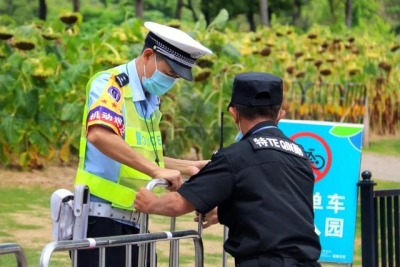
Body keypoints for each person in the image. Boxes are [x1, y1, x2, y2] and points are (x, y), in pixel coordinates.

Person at [134, 72, 322, 267]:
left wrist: (150, 203)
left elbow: (177, 204)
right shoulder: (299, 155)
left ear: (234, 113)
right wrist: (225, 212)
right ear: (280, 114)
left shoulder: (235, 156)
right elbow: (274, 202)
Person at [74, 21, 212, 267]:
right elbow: (100, 135)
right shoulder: (112, 85)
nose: (170, 82)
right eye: (169, 73)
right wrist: (156, 172)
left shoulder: (150, 99)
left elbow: (143, 153)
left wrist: (187, 167)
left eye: (176, 78)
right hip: (100, 218)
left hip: (137, 219)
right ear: (148, 55)